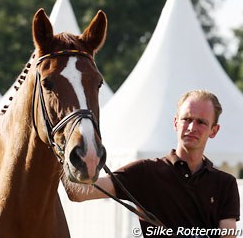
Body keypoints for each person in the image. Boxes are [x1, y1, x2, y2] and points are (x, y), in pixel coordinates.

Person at [63, 90, 240, 238]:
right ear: (176, 123)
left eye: (201, 122)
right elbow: (78, 193)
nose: (192, 127)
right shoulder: (145, 172)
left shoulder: (225, 184)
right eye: (187, 119)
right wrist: (59, 149)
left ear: (214, 131)